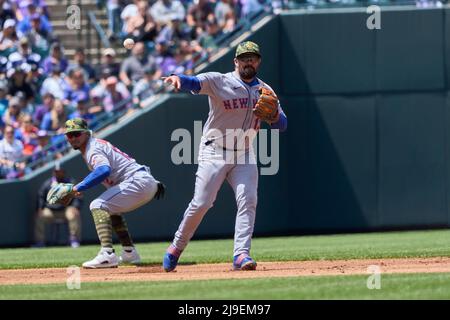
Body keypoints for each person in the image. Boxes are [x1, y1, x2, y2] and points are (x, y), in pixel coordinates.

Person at [162, 41, 287, 272]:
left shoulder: (266, 91)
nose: (248, 61)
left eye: (253, 57)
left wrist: (272, 117)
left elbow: (283, 124)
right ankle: (176, 247)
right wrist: (177, 77)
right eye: (244, 57)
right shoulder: (220, 80)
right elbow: (195, 81)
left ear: (258, 61)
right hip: (214, 151)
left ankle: (241, 255)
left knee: (248, 200)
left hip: (244, 154)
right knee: (202, 203)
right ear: (235, 61)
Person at [63, 118, 165, 268]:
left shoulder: (92, 148)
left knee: (97, 205)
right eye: (69, 135)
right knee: (111, 211)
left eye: (76, 134)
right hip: (141, 181)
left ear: (86, 133)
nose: (73, 138)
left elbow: (104, 170)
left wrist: (78, 188)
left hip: (137, 181)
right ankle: (129, 253)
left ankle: (107, 254)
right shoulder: (92, 146)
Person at [34, 162, 82, 247]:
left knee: (73, 214)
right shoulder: (48, 183)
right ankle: (40, 241)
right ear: (53, 172)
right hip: (51, 211)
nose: (58, 173)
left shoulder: (70, 182)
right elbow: (41, 196)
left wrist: (75, 207)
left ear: (64, 172)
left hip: (66, 209)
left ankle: (74, 239)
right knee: (40, 216)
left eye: (60, 171)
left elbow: (78, 196)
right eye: (56, 171)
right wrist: (40, 208)